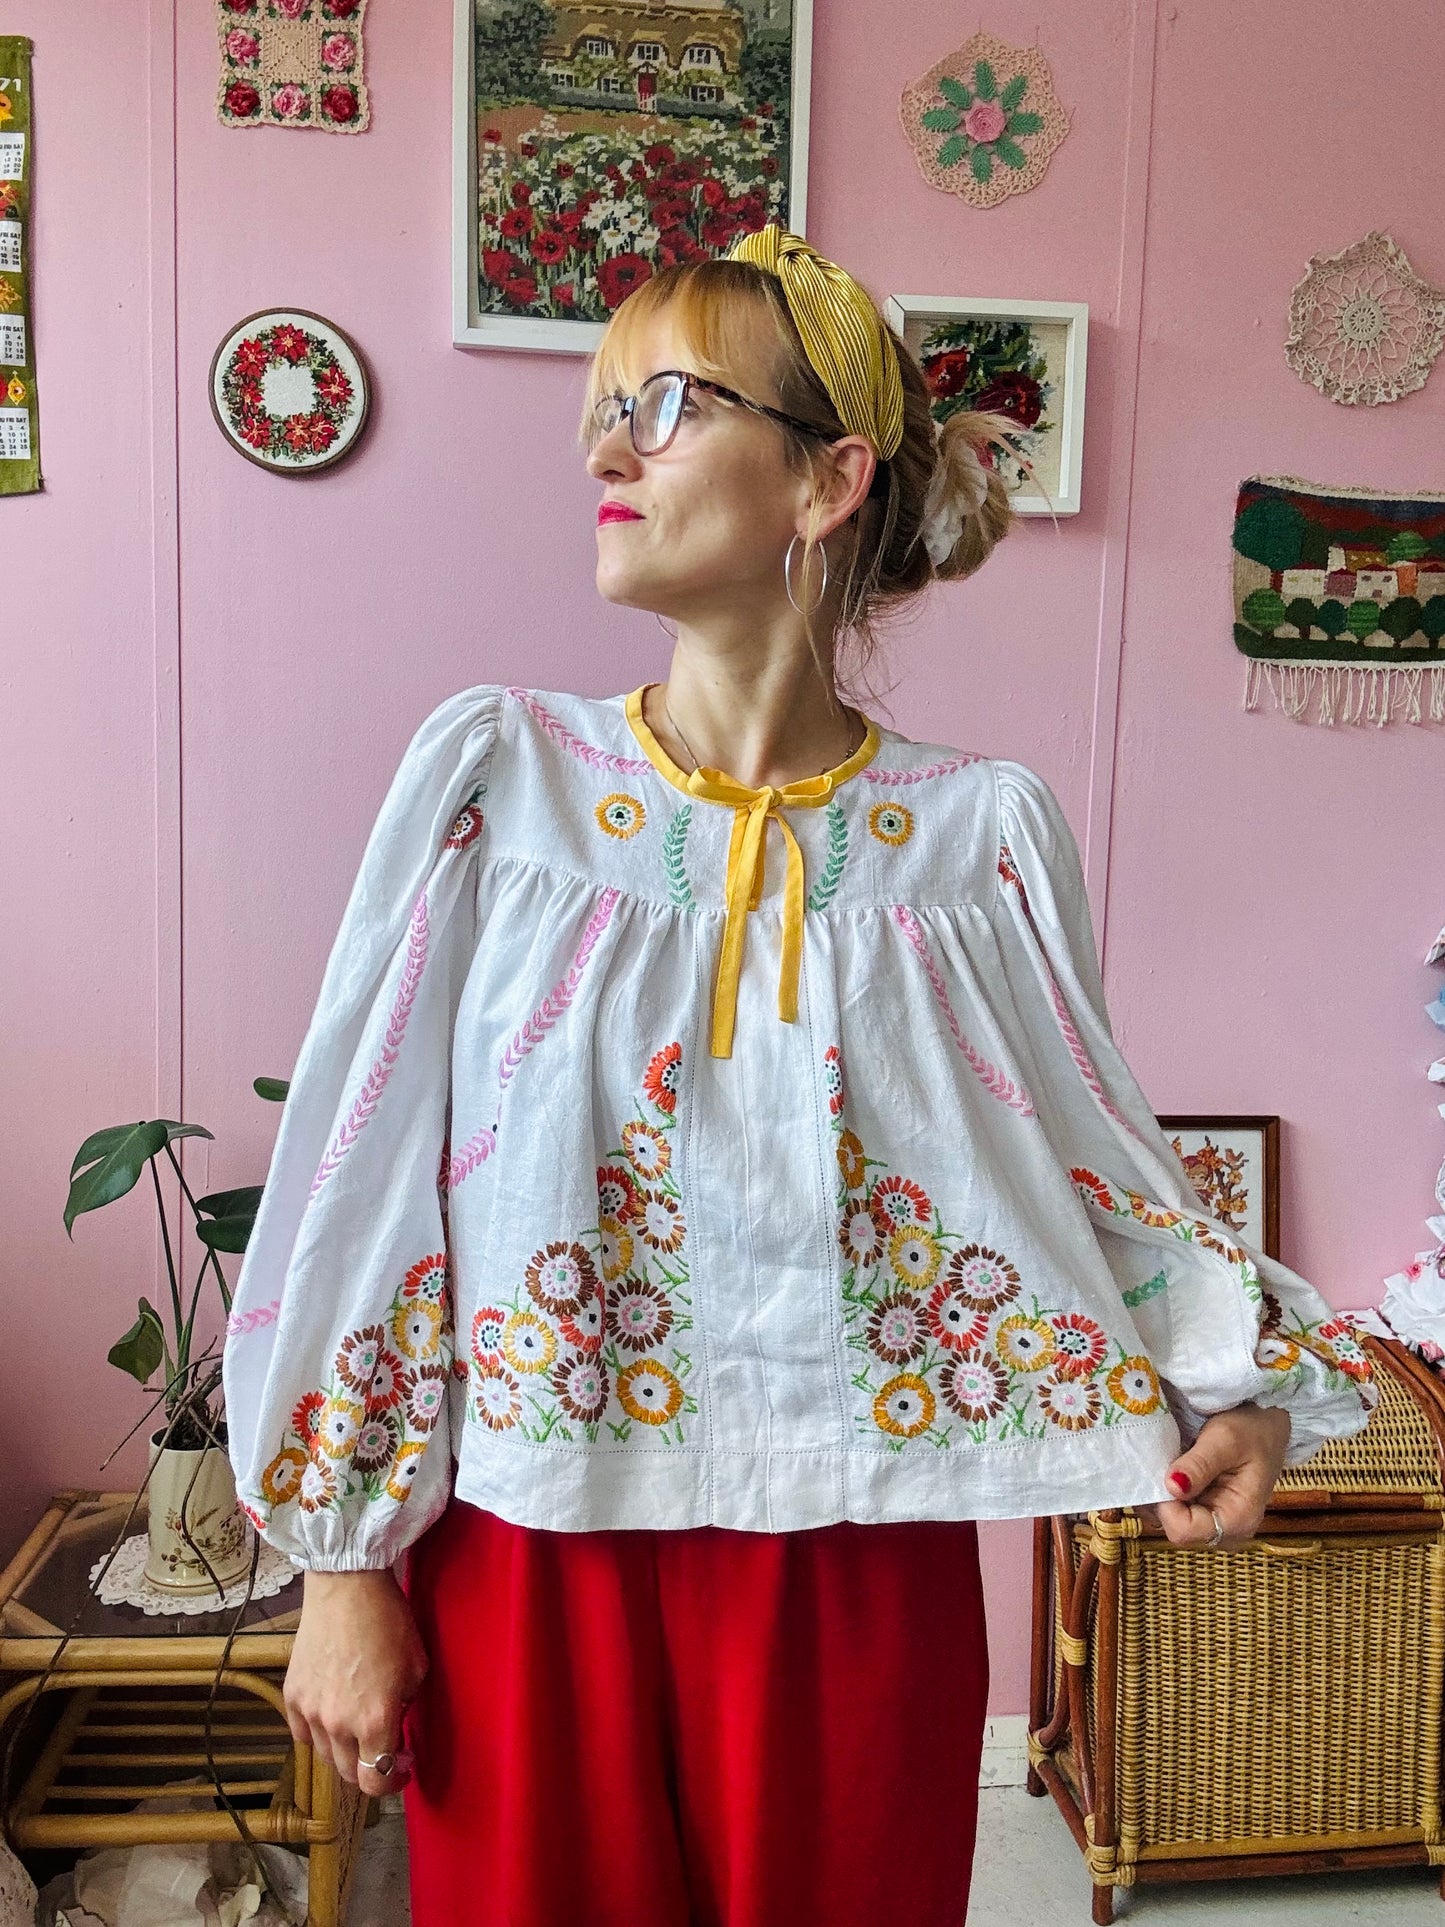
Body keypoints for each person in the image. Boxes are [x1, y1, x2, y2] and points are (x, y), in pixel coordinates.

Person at [222, 224, 1376, 1927]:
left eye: (668, 405)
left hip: (862, 1546)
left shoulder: (970, 842)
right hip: (536, 1536)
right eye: (602, 410)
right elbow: (359, 1167)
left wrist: (1239, 1384)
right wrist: (338, 1563)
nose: (608, 452)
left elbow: (1091, 1160)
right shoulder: (499, 788)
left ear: (827, 481)